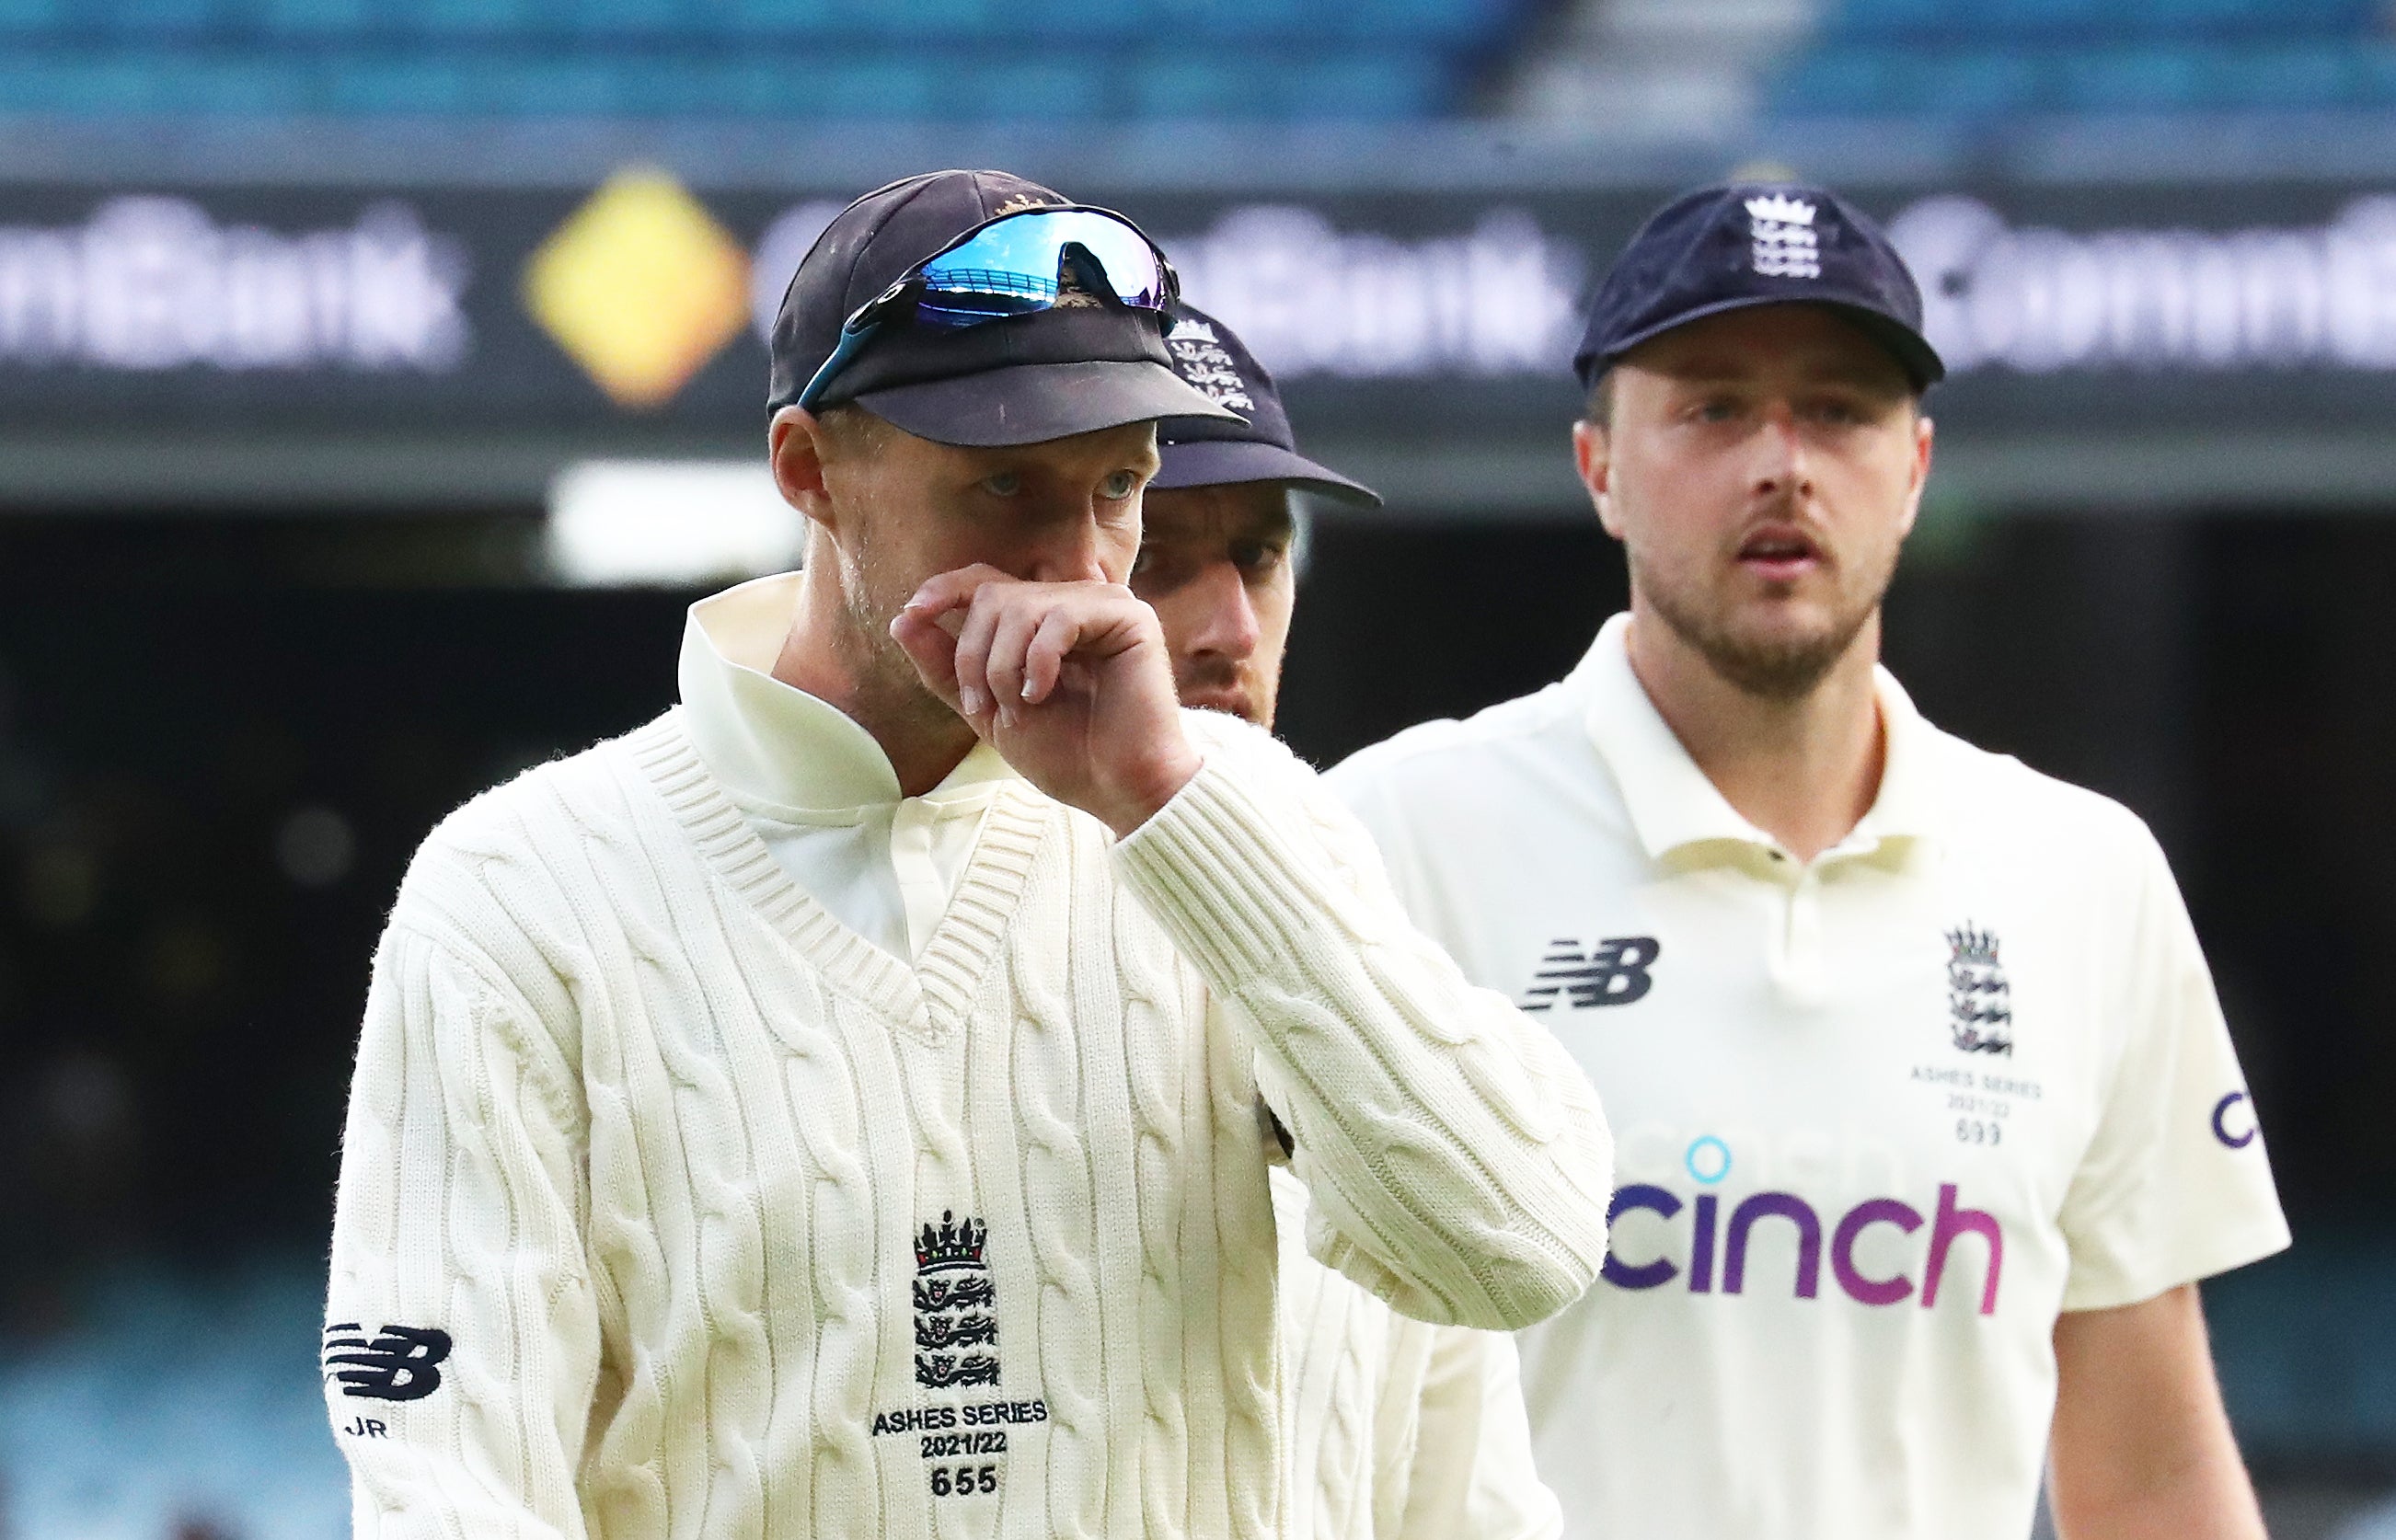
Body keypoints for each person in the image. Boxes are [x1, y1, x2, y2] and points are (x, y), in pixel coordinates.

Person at [320, 169, 1615, 1540]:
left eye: (1118, 487)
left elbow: (1521, 1252)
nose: (1074, 561)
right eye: (1004, 482)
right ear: (811, 471)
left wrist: (1165, 796)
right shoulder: (521, 893)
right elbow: (445, 1495)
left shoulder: (1240, 812)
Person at [1325, 182, 2289, 1539]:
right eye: (1714, 408)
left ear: (1916, 469)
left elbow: (2151, 1474)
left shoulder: (2084, 876)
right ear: (1599, 466)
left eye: (1839, 410)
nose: (1783, 461)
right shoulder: (1393, 836)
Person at [1135, 301, 1561, 1540]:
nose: (1230, 630)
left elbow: (1468, 1498)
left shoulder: (1359, 912)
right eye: (1157, 559)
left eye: (1261, 557)